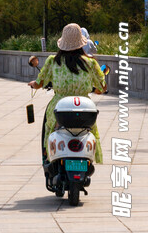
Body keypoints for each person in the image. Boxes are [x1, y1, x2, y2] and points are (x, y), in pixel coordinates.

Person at [28, 22, 106, 165]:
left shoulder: (53, 61)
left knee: (49, 128)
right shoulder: (90, 63)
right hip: (84, 107)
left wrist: (34, 84)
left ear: (62, 43)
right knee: (91, 130)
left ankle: (47, 156)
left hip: (60, 106)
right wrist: (93, 89)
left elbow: (40, 82)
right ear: (81, 43)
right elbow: (102, 87)